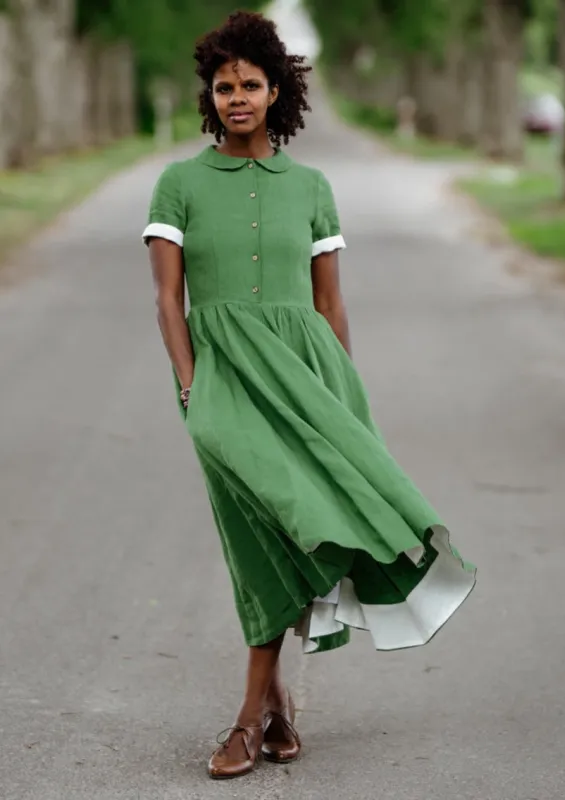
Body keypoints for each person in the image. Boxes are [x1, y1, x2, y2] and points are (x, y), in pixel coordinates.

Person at [142, 10, 476, 781]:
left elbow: (329, 304)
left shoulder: (313, 188)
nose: (235, 98)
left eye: (249, 85)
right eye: (223, 87)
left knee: (299, 529)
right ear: (210, 96)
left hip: (309, 383)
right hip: (223, 383)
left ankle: (262, 712)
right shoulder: (178, 183)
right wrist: (191, 386)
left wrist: (342, 402)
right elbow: (166, 300)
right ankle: (257, 711)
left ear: (275, 92)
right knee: (256, 533)